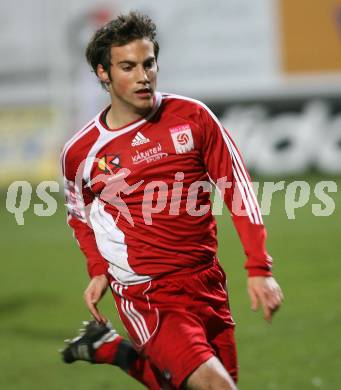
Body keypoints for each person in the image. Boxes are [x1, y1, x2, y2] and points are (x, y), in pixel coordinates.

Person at [60, 11, 283, 390]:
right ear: (103, 73)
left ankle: (113, 350)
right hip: (147, 291)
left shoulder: (193, 117)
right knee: (216, 387)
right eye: (128, 67)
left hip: (207, 281)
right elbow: (79, 216)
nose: (143, 76)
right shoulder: (81, 151)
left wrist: (258, 267)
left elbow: (238, 190)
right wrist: (98, 268)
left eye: (148, 64)